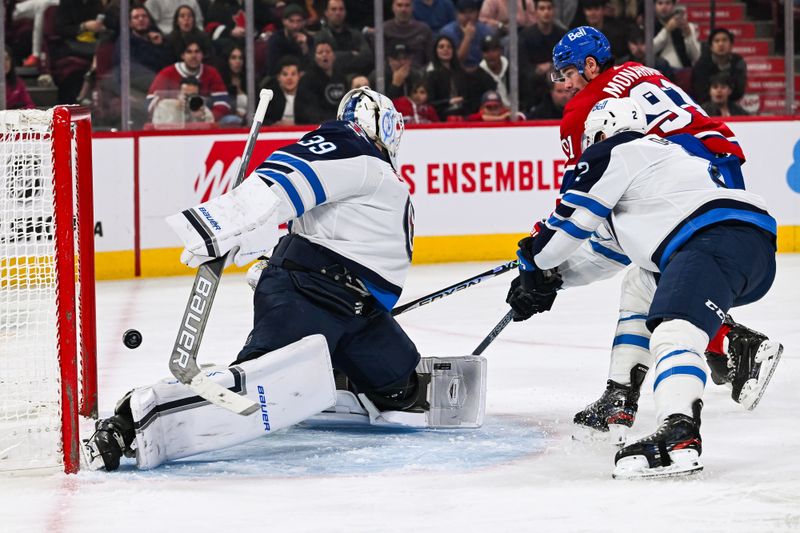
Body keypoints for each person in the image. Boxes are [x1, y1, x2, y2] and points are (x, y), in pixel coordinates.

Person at [83, 88, 486, 471]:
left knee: (405, 394)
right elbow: (287, 172)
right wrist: (224, 221)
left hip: (360, 315)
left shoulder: (371, 169)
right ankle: (130, 424)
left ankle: (324, 378)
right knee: (255, 389)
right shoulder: (349, 143)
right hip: (311, 296)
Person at [506, 97, 777, 479]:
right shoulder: (652, 169)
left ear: (599, 133)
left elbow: (558, 238)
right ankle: (620, 397)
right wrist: (550, 283)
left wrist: (534, 261)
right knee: (639, 282)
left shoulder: (617, 150)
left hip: (714, 239)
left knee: (674, 329)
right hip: (738, 242)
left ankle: (679, 433)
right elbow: (600, 254)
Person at [548, 26, 782, 440]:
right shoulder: (640, 71)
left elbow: (587, 201)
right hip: (715, 166)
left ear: (589, 66)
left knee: (662, 265)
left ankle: (731, 346)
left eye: (566, 72)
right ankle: (627, 392)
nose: (563, 84)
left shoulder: (584, 108)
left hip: (674, 186)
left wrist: (550, 260)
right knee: (662, 273)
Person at [147, 37, 231, 122]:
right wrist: (175, 104)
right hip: (174, 121)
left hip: (204, 121)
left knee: (231, 120)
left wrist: (206, 116)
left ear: (202, 54)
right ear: (182, 55)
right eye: (189, 52)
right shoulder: (167, 73)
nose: (193, 56)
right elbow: (150, 101)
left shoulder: (211, 72)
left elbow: (223, 102)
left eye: (197, 52)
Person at [295, 40, 348, 124]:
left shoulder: (341, 78)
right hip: (315, 126)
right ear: (315, 57)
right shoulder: (307, 80)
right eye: (320, 52)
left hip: (339, 124)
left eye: (328, 51)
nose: (324, 54)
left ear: (334, 56)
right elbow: (307, 110)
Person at [316, 0, 373, 77]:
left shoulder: (355, 34)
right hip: (331, 79)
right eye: (334, 9)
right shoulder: (320, 36)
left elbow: (367, 56)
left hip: (357, 76)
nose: (338, 13)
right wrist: (351, 54)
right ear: (326, 13)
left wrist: (338, 57)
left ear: (345, 12)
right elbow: (322, 60)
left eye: (341, 9)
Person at [692, 28, 747, 104]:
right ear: (711, 46)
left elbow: (739, 91)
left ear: (731, 45)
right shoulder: (701, 64)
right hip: (706, 105)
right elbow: (700, 91)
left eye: (724, 40)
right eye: (717, 41)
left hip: (731, 104)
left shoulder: (738, 62)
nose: (721, 44)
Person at [439, 0, 495, 69]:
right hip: (456, 72)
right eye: (463, 12)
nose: (468, 16)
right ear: (456, 14)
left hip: (482, 71)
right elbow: (454, 62)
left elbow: (492, 58)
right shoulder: (447, 32)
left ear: (477, 13)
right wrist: (467, 38)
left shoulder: (486, 31)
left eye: (471, 12)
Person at [383, 0, 434, 70]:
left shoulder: (424, 29)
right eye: (399, 5)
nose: (403, 9)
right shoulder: (384, 29)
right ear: (393, 7)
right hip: (390, 74)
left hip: (419, 75)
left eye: (407, 5)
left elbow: (431, 60)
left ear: (413, 8)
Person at [265, 4, 312, 77]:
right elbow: (272, 69)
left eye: (299, 21)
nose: (295, 26)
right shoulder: (275, 40)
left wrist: (304, 48)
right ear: (284, 21)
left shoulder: (308, 40)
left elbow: (311, 68)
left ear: (303, 22)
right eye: (291, 21)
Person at [653, 0, 701, 70]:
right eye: (660, 3)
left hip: (683, 73)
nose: (664, 7)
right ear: (654, 6)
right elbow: (649, 51)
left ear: (674, 5)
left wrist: (688, 35)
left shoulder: (688, 26)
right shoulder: (649, 27)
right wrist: (666, 30)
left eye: (668, 3)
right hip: (657, 73)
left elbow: (696, 56)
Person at [150, 75, 215, 125]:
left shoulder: (204, 112)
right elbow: (157, 128)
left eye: (193, 96)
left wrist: (199, 119)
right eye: (186, 95)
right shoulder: (164, 105)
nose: (189, 99)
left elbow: (209, 133)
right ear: (179, 93)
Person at [262, 56, 300, 126]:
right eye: (285, 74)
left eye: (293, 74)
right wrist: (273, 125)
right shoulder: (270, 97)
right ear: (278, 77)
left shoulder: (307, 96)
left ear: (299, 76)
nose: (289, 78)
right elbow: (262, 120)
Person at [217, 44, 247, 125]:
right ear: (227, 60)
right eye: (233, 58)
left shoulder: (249, 81)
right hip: (228, 121)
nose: (238, 61)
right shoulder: (220, 80)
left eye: (240, 58)